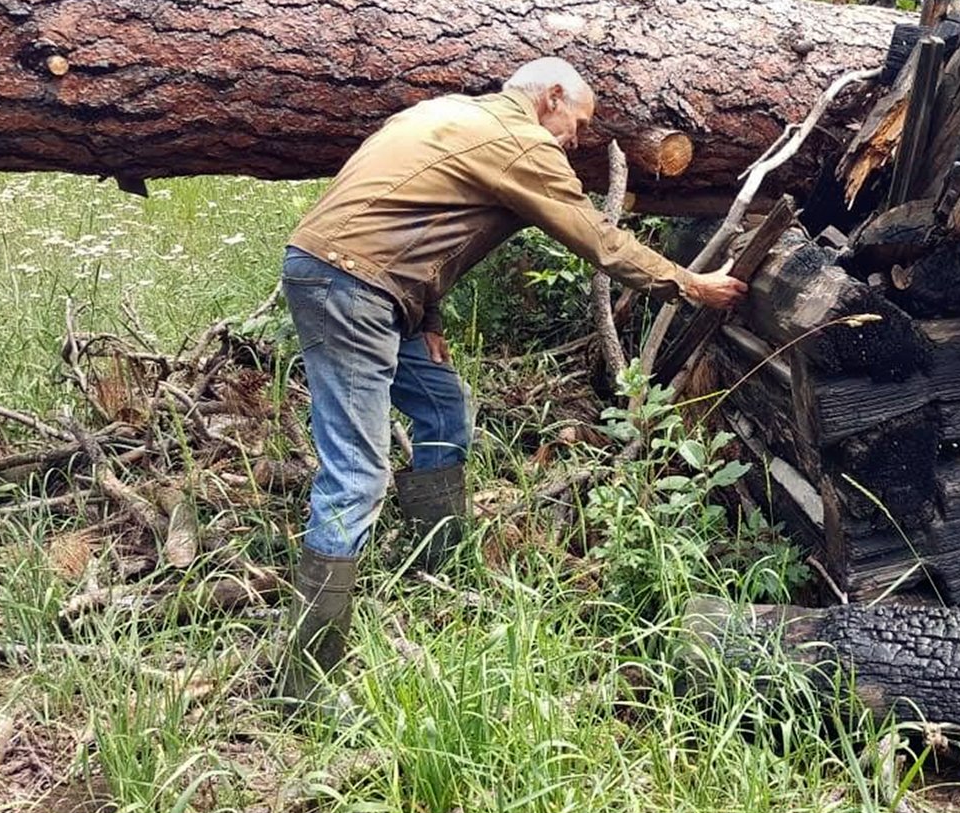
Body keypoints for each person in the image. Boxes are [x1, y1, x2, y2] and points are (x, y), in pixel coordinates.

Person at [274, 57, 747, 704]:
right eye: (576, 125)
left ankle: (433, 570)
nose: (575, 141)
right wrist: (690, 283)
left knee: (441, 405)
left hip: (352, 274)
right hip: (355, 284)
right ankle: (305, 680)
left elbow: (411, 210)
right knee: (354, 470)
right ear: (550, 97)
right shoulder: (520, 140)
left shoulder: (449, 114)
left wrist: (428, 315)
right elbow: (598, 239)